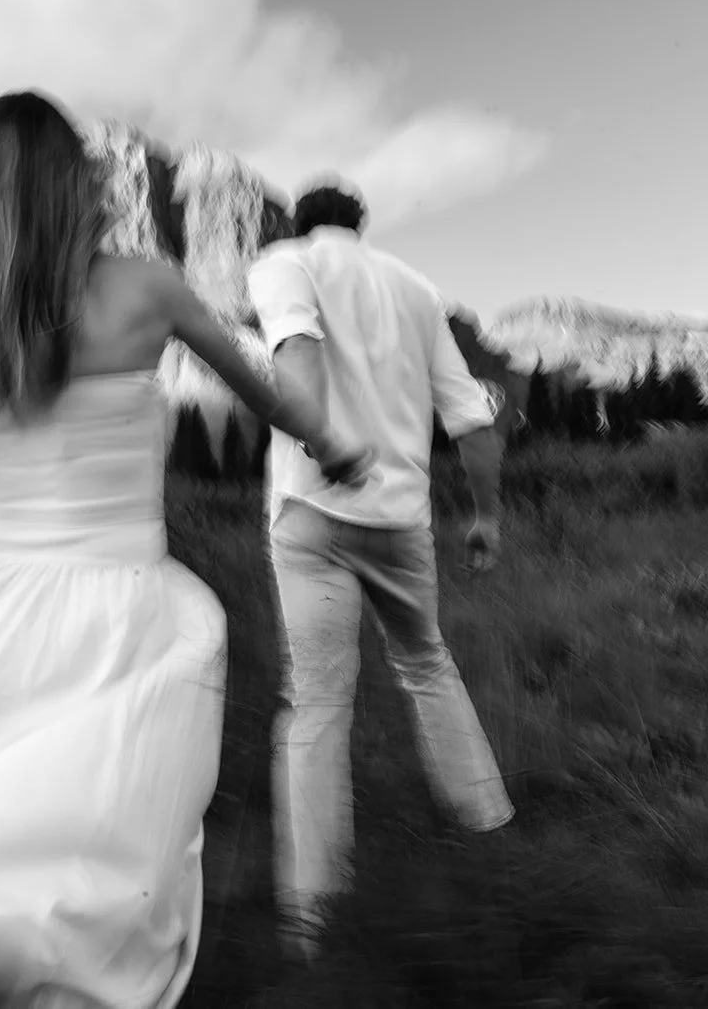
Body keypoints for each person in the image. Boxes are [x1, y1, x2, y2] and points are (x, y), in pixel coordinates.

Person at [0, 91, 374, 1009]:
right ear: (77, 181)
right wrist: (339, 445)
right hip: (124, 619)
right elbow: (272, 401)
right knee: (93, 894)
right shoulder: (145, 288)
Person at [248, 179, 516, 957]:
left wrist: (317, 440)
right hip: (401, 519)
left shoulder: (283, 262)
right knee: (427, 663)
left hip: (313, 512)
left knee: (318, 702)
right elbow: (469, 415)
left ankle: (314, 917)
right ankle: (489, 826)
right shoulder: (414, 287)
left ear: (303, 224)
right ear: (360, 225)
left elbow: (295, 347)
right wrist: (486, 515)